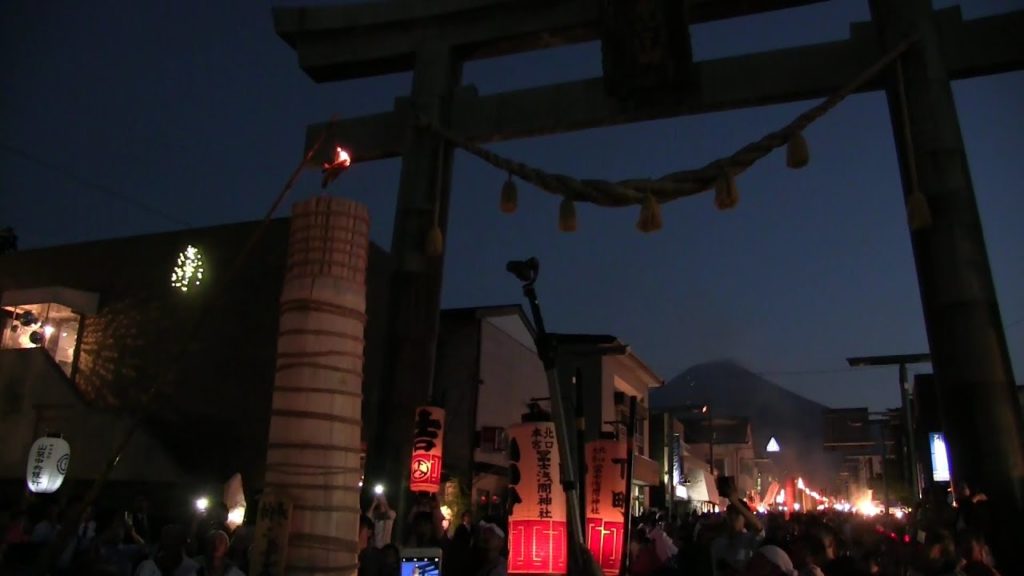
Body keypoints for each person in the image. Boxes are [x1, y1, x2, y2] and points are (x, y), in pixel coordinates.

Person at [711, 494, 764, 576]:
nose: (732, 517)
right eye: (730, 514)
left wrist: (734, 500)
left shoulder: (750, 539)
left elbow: (759, 528)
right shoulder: (718, 542)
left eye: (737, 514)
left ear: (745, 518)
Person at [135, 525, 200, 576]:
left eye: (174, 541)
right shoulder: (147, 567)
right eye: (168, 540)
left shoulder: (191, 569)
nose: (170, 545)